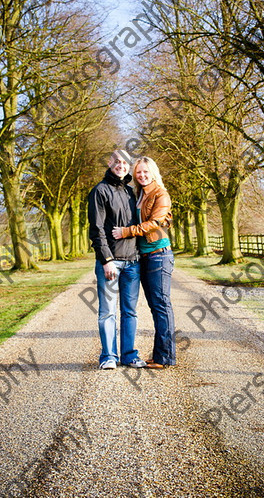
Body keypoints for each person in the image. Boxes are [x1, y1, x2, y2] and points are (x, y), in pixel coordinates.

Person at [113, 156, 176, 369]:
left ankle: (165, 357)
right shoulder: (139, 193)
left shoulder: (160, 193)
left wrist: (126, 232)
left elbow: (154, 223)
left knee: (161, 306)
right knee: (155, 307)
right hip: (145, 256)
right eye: (138, 172)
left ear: (153, 172)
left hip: (159, 255)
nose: (141, 175)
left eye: (145, 172)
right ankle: (159, 354)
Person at [88, 150, 146, 370]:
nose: (121, 165)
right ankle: (108, 357)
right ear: (110, 163)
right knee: (107, 312)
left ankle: (129, 355)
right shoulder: (99, 191)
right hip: (111, 262)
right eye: (117, 162)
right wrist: (106, 260)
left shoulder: (132, 192)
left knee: (130, 311)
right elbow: (97, 229)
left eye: (125, 162)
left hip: (133, 262)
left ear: (128, 166)